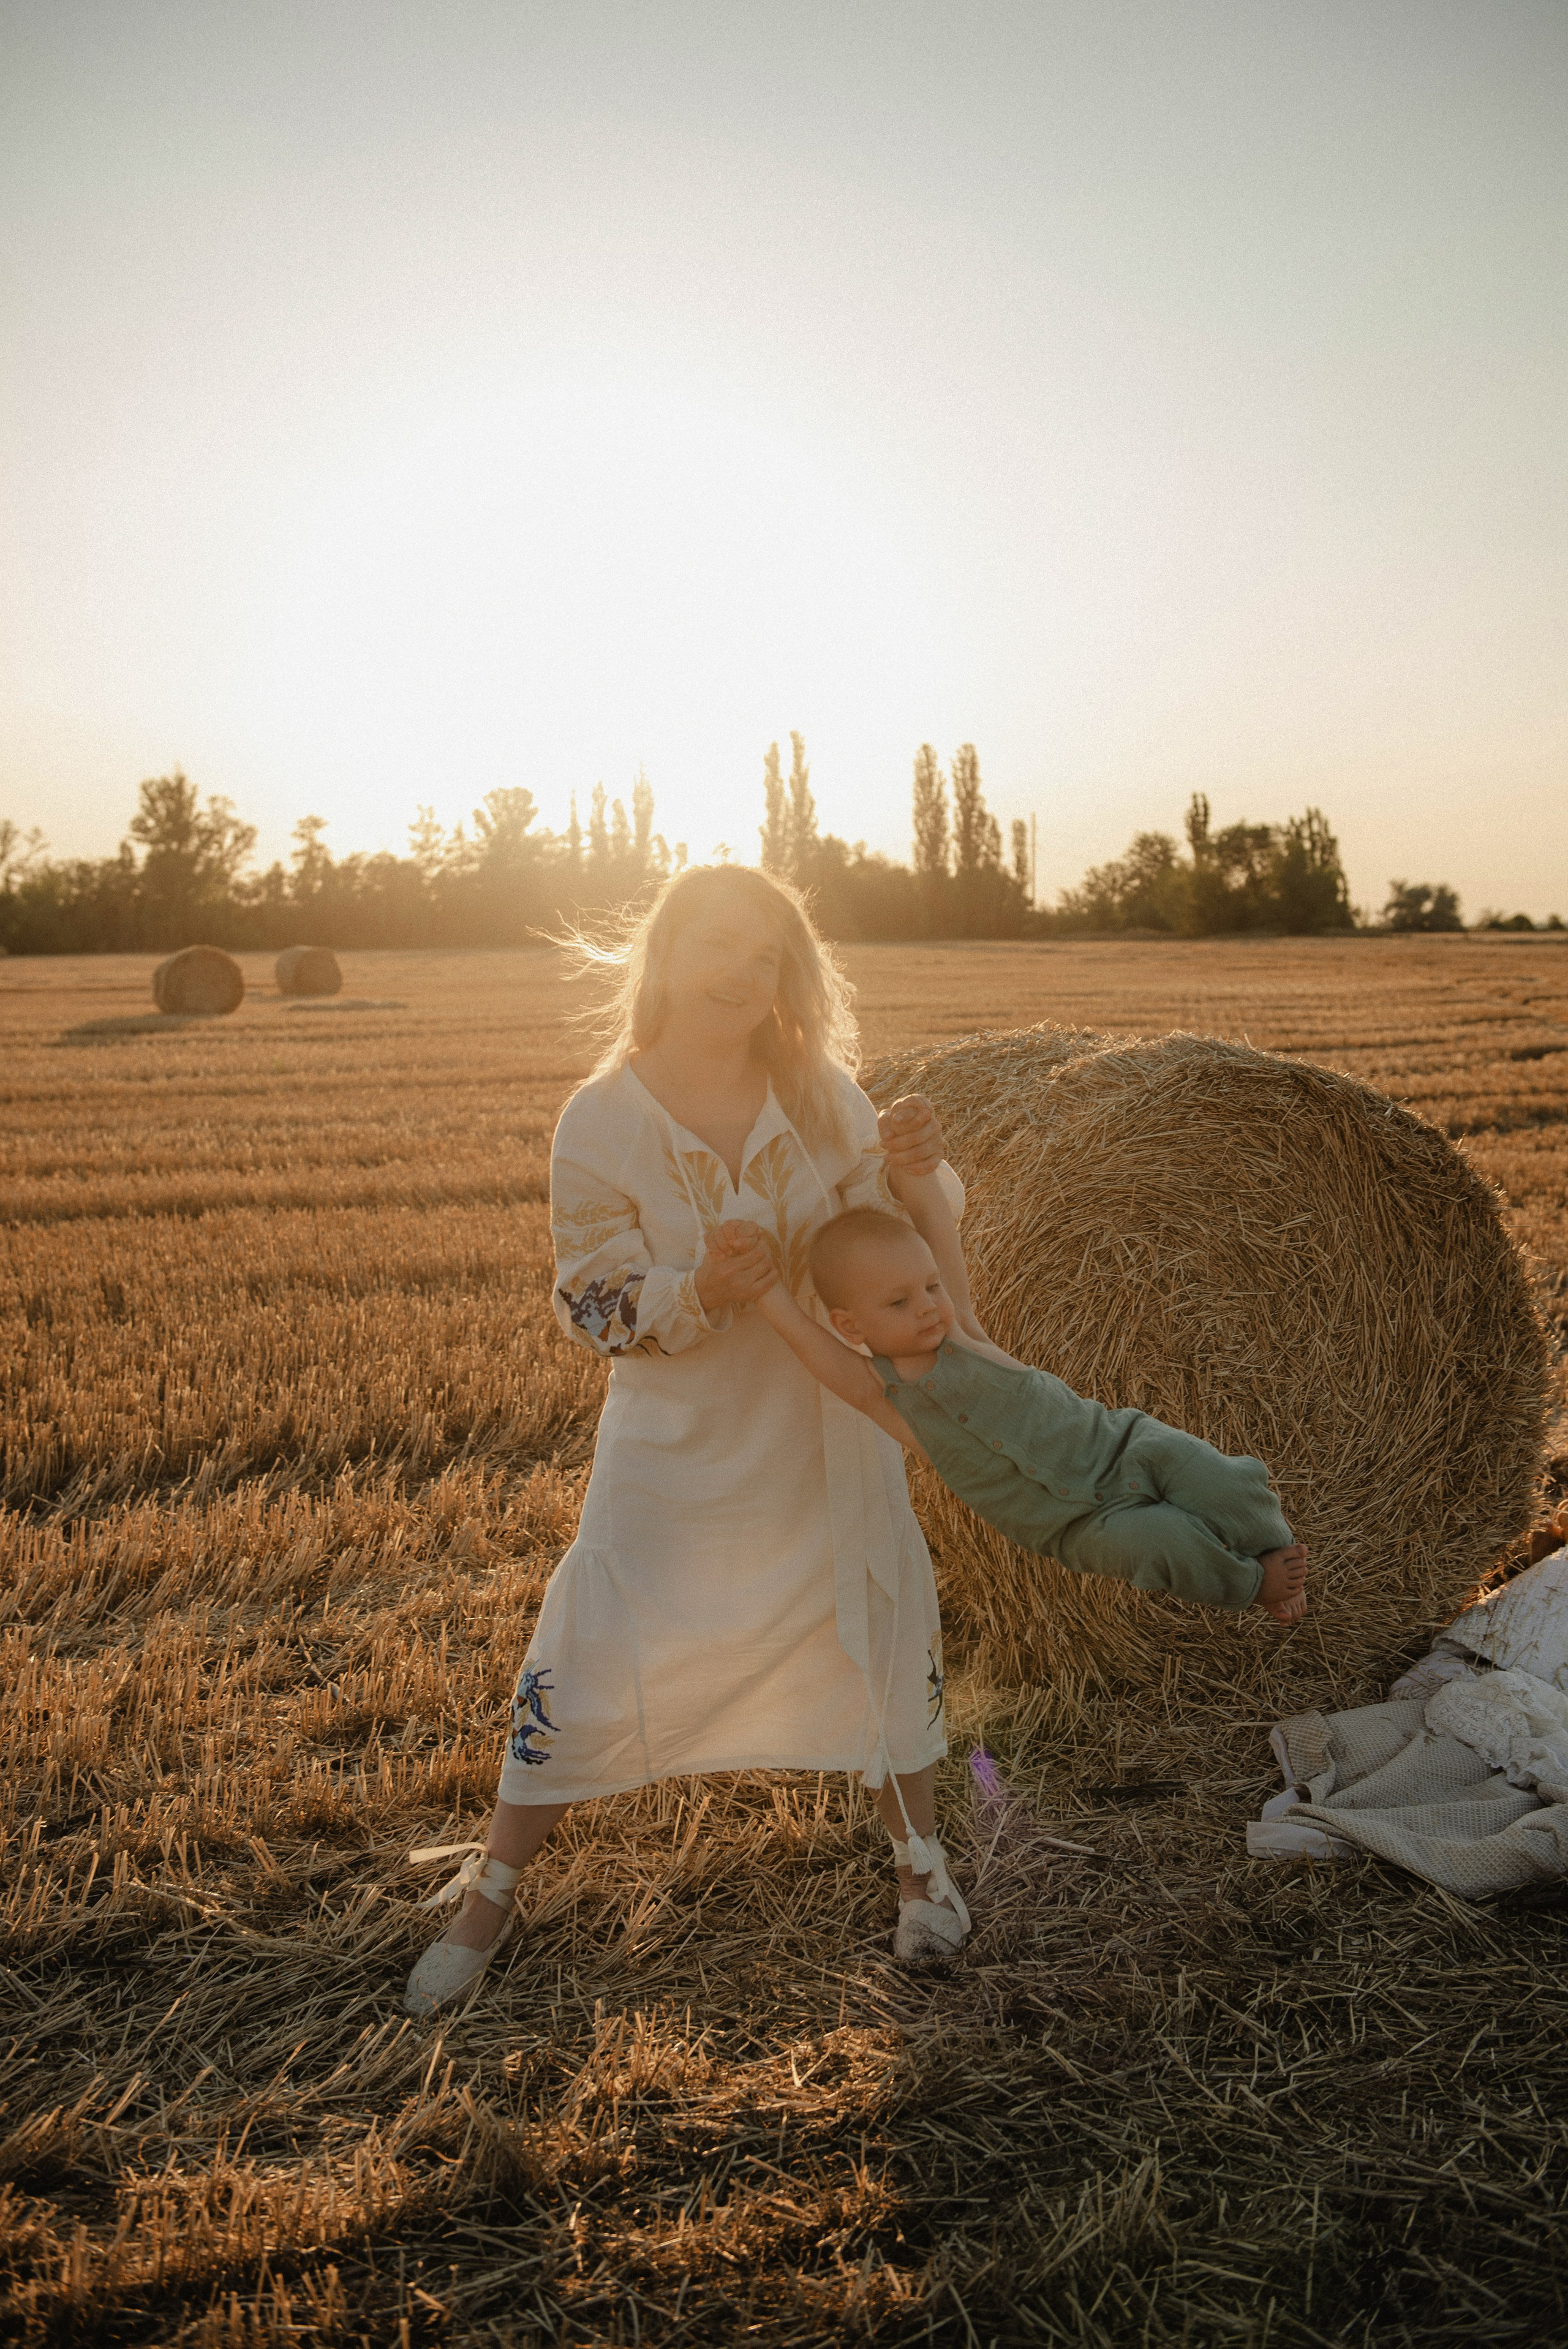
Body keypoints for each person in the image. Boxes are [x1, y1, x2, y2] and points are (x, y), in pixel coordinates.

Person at [403, 865, 974, 2016]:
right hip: (680, 1443)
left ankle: (921, 1871)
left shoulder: (823, 1093)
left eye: (766, 956)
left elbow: (883, 1240)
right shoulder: (601, 1119)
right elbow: (589, 1303)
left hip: (826, 1425)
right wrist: (699, 1289)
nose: (742, 973)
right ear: (662, 955)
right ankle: (494, 1891)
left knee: (876, 1616)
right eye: (720, 945)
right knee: (599, 1636)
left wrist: (923, 1179)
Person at [726, 1165, 1309, 1623]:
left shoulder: (964, 1335)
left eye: (930, 1286)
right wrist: (766, 1289)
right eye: (898, 1302)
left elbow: (933, 1219)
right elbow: (809, 1341)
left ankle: (1274, 1545)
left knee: (1217, 1476)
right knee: (1159, 1542)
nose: (929, 1304)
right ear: (851, 1327)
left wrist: (915, 1169)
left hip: (1123, 1447)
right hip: (1081, 1527)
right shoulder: (886, 1396)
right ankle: (1255, 1586)